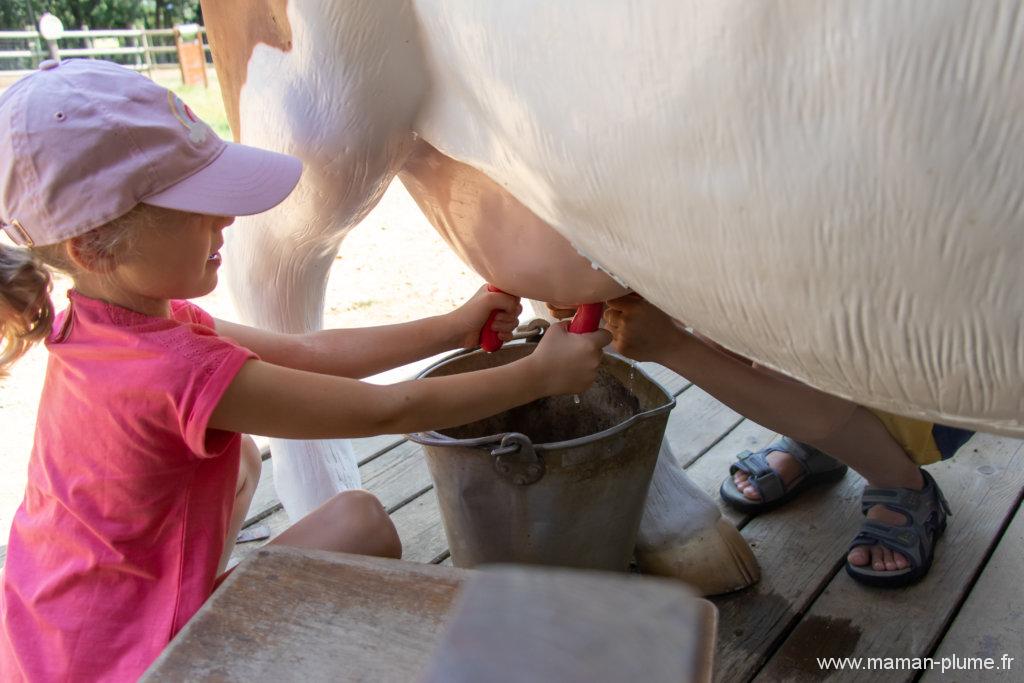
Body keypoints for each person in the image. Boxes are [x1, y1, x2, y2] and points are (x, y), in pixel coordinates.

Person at [0, 59, 610, 681]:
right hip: (132, 666)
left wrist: (453, 325)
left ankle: (184, 591)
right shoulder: (175, 371)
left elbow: (310, 354)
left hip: (50, 635)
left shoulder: (100, 323)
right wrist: (538, 376)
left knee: (236, 459)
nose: (227, 218)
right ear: (94, 247)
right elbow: (388, 411)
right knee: (361, 524)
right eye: (196, 205)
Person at [554, 294, 969, 588]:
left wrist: (672, 343)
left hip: (939, 385)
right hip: (841, 344)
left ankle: (900, 481)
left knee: (782, 332)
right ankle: (823, 444)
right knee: (735, 313)